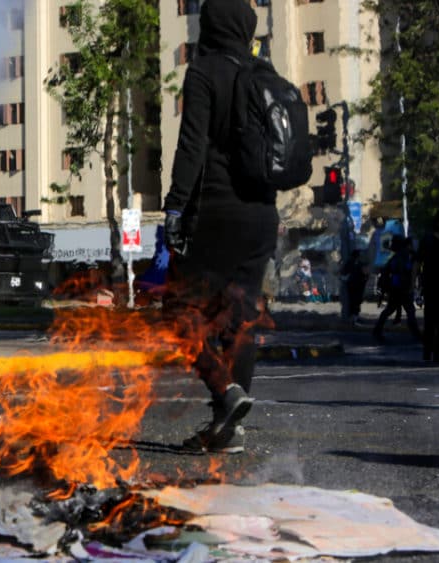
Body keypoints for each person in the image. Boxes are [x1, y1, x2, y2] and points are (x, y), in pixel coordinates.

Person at [161, 0, 273, 454]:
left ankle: (226, 395)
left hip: (217, 213)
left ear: (211, 26)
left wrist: (174, 208)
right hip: (262, 216)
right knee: (240, 317)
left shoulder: (204, 70)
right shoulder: (267, 74)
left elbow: (191, 147)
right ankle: (229, 431)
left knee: (179, 313)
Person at [372, 236, 421, 343]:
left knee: (390, 310)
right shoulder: (404, 256)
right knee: (409, 311)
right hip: (403, 288)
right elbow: (408, 272)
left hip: (396, 288)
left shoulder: (395, 257)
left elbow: (386, 271)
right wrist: (410, 287)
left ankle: (377, 330)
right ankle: (416, 335)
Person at [415, 209, 439, 362]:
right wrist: (414, 282)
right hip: (431, 284)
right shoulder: (428, 239)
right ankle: (428, 352)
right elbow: (418, 261)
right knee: (430, 321)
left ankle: (438, 352)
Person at [340, 249, 368, 326]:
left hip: (354, 285)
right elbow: (364, 273)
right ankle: (354, 319)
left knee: (354, 302)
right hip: (356, 285)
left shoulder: (353, 262)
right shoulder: (356, 263)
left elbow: (343, 272)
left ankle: (354, 318)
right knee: (355, 302)